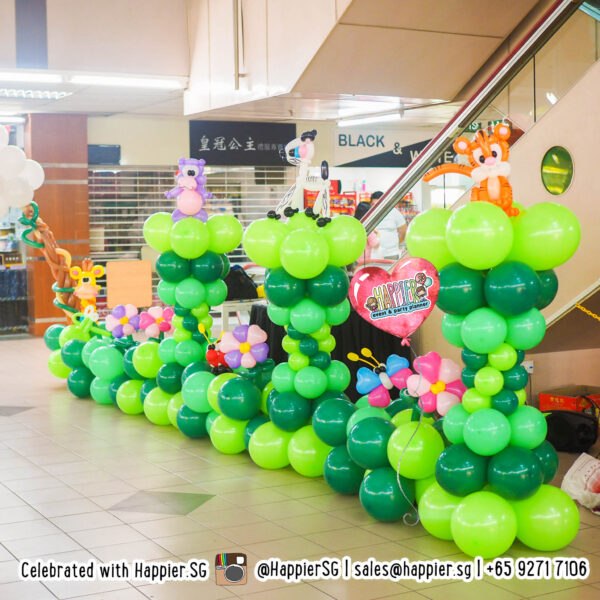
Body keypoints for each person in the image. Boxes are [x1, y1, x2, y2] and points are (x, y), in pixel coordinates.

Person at [369, 191, 407, 260]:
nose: (376, 207)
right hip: (373, 255)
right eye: (373, 204)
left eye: (379, 204)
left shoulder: (394, 213)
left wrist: (393, 245)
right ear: (370, 204)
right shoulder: (368, 215)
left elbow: (403, 232)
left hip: (391, 254)